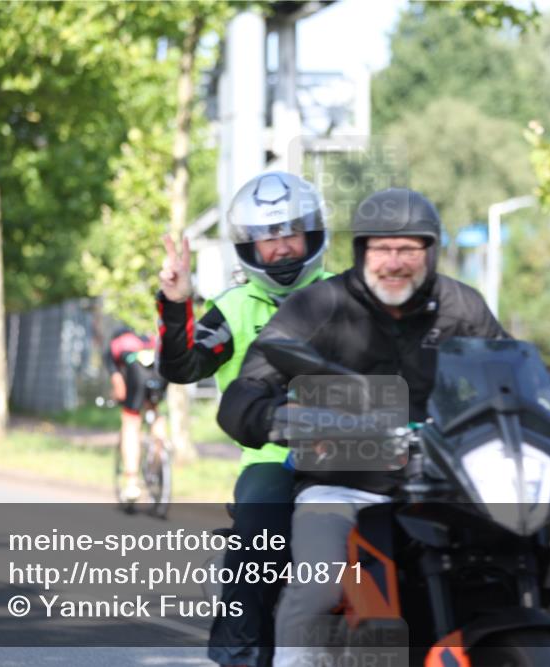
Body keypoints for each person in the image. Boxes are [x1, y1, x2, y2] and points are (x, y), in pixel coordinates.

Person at [215, 187, 510, 666]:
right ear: (360, 252)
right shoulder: (317, 307)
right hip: (341, 484)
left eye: (409, 248)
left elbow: (506, 370)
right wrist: (271, 416)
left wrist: (543, 414)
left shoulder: (461, 305)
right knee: (315, 589)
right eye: (381, 248)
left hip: (442, 484)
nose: (395, 261)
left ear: (430, 251)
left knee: (512, 563)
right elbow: (248, 388)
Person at [155, 171, 332, 667]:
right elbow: (182, 366)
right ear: (247, 246)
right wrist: (176, 303)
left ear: (312, 233)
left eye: (289, 232)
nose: (279, 247)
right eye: (265, 236)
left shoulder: (349, 296)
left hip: (359, 451)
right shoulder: (232, 308)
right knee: (258, 535)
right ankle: (242, 654)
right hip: (274, 458)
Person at [103, 326, 168, 503]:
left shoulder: (113, 349)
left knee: (130, 421)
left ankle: (131, 483)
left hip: (136, 371)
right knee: (154, 410)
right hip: (159, 369)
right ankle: (159, 454)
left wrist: (118, 397)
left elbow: (119, 387)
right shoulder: (147, 340)